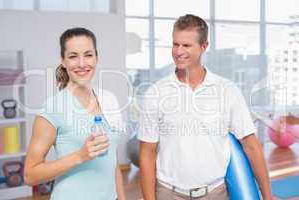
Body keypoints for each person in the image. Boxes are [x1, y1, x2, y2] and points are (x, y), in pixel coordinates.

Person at [138, 14, 272, 200]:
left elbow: (251, 146)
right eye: (175, 44)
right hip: (168, 193)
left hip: (215, 193)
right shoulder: (155, 93)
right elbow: (147, 153)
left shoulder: (227, 91)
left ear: (204, 47)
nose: (178, 51)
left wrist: (267, 195)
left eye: (186, 45)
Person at [24, 27, 126, 200]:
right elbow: (30, 175)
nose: (81, 63)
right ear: (63, 61)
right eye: (73, 56)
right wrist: (80, 156)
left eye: (88, 55)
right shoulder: (53, 108)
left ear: (96, 57)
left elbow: (112, 162)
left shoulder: (109, 99)